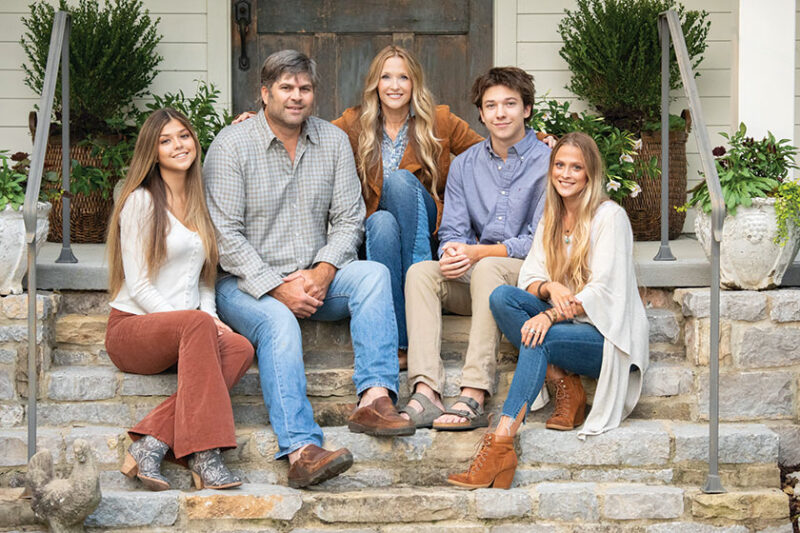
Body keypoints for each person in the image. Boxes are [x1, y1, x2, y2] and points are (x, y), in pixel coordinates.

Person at [233, 46, 555, 370]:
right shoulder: (353, 122)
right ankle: (402, 339)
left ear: (415, 83)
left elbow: (488, 146)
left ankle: (416, 315)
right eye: (386, 77)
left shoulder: (439, 120)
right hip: (378, 242)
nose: (395, 85)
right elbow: (305, 129)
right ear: (375, 83)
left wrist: (536, 138)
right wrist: (259, 120)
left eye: (403, 77)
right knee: (380, 223)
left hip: (423, 237)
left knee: (400, 183)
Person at [204, 50, 414, 489]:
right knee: (280, 323)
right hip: (247, 286)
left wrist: (321, 272)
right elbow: (224, 235)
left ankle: (376, 398)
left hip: (317, 277)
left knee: (374, 276)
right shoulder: (230, 145)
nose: (296, 97)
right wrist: (276, 287)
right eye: (286, 88)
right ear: (264, 93)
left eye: (304, 88)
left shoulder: (333, 141)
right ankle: (301, 449)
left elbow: (349, 218)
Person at [447, 132, 649, 489]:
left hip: (605, 336)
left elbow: (602, 290)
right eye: (559, 165)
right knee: (501, 298)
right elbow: (530, 276)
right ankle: (564, 383)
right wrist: (549, 288)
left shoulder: (610, 217)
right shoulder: (553, 217)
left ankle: (501, 444)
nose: (566, 174)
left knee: (539, 338)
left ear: (590, 174)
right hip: (566, 320)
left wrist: (548, 315)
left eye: (576, 167)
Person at [105, 108, 254, 491]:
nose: (178, 145)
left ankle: (151, 442)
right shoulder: (140, 201)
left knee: (238, 347)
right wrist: (191, 324)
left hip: (184, 328)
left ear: (194, 140)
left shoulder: (199, 199)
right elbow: (137, 285)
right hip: (133, 331)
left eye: (183, 136)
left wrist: (210, 318)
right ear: (152, 152)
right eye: (165, 140)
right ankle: (205, 455)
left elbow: (204, 280)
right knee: (199, 325)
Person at [401, 67, 551, 431]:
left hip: (525, 280)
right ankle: (427, 391)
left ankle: (474, 391)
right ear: (481, 114)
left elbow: (537, 240)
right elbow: (452, 228)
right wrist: (452, 252)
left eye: (510, 104)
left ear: (527, 109)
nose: (500, 113)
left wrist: (479, 254)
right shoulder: (465, 164)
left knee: (486, 268)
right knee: (421, 273)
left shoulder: (549, 162)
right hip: (478, 277)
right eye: (491, 106)